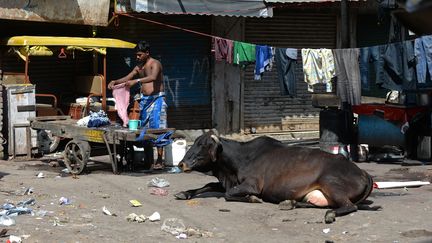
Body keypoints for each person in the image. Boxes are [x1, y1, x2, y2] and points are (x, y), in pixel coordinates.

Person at [108, 41, 167, 170]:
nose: (137, 57)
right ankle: (148, 160)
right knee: (144, 129)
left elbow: (153, 77)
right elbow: (128, 78)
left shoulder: (155, 64)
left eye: (140, 54)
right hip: (145, 100)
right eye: (137, 55)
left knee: (159, 129)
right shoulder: (138, 67)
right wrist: (115, 81)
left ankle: (160, 160)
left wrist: (137, 81)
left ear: (147, 53)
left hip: (157, 99)